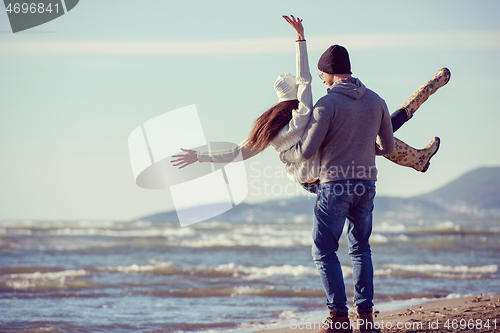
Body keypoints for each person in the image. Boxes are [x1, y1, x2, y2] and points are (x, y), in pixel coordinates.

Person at [171, 16, 450, 190]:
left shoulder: (269, 131)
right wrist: (300, 39)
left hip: (313, 180)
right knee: (378, 124)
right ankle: (421, 124)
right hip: (324, 177)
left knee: (376, 124)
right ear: (294, 98)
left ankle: (418, 153)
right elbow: (305, 79)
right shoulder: (303, 114)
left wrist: (200, 156)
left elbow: (237, 153)